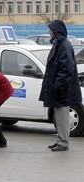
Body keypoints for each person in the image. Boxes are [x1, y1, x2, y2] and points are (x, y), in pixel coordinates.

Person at [39, 20, 82, 152]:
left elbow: (66, 70)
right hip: (58, 89)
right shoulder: (58, 44)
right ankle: (60, 140)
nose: (49, 32)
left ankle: (63, 143)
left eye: (50, 29)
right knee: (58, 117)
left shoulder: (64, 45)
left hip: (63, 90)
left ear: (56, 31)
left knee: (62, 117)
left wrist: (57, 86)